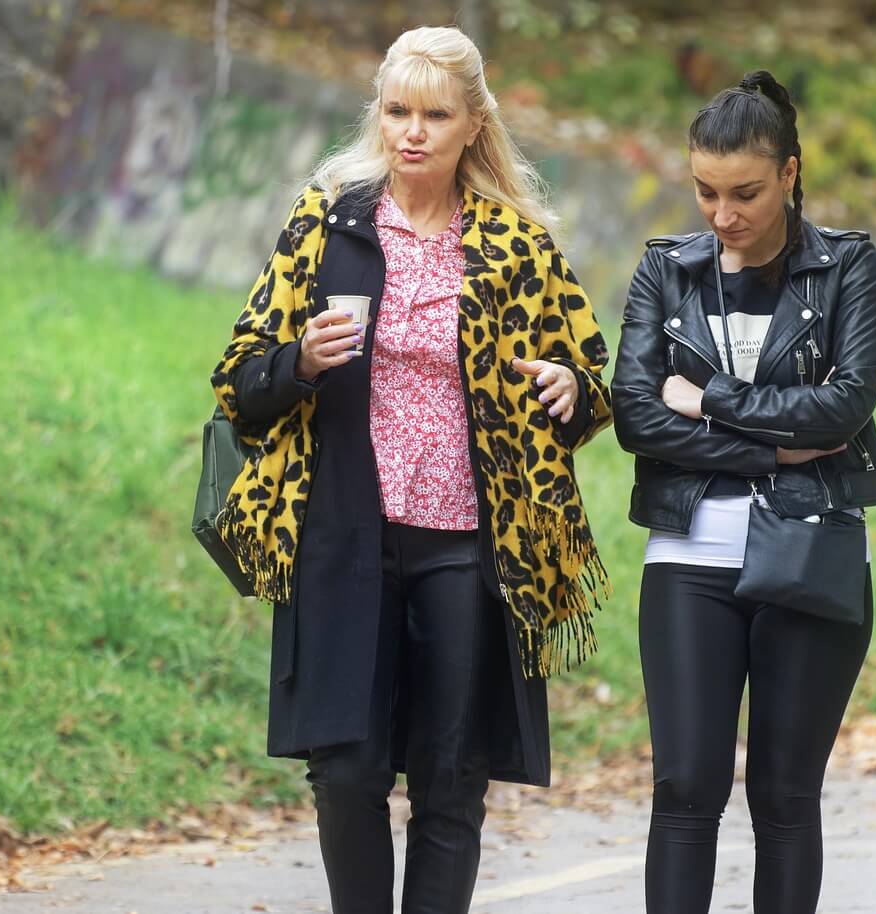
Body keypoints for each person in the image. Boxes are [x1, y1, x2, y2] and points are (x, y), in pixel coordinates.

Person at [209, 26, 612, 914]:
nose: (413, 132)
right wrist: (299, 362)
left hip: (466, 545)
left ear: (474, 125)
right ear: (379, 116)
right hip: (342, 538)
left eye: (434, 115)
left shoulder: (516, 245)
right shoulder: (328, 224)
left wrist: (568, 389)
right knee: (346, 773)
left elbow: (590, 382)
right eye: (397, 111)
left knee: (451, 778)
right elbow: (238, 378)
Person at [611, 69, 876, 914]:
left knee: (784, 794)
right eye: (705, 191)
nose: (722, 214)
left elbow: (843, 407)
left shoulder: (848, 268)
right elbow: (636, 415)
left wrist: (709, 399)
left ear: (790, 173)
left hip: (811, 548)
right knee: (684, 788)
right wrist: (777, 449)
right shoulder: (666, 270)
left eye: (746, 193)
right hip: (688, 555)